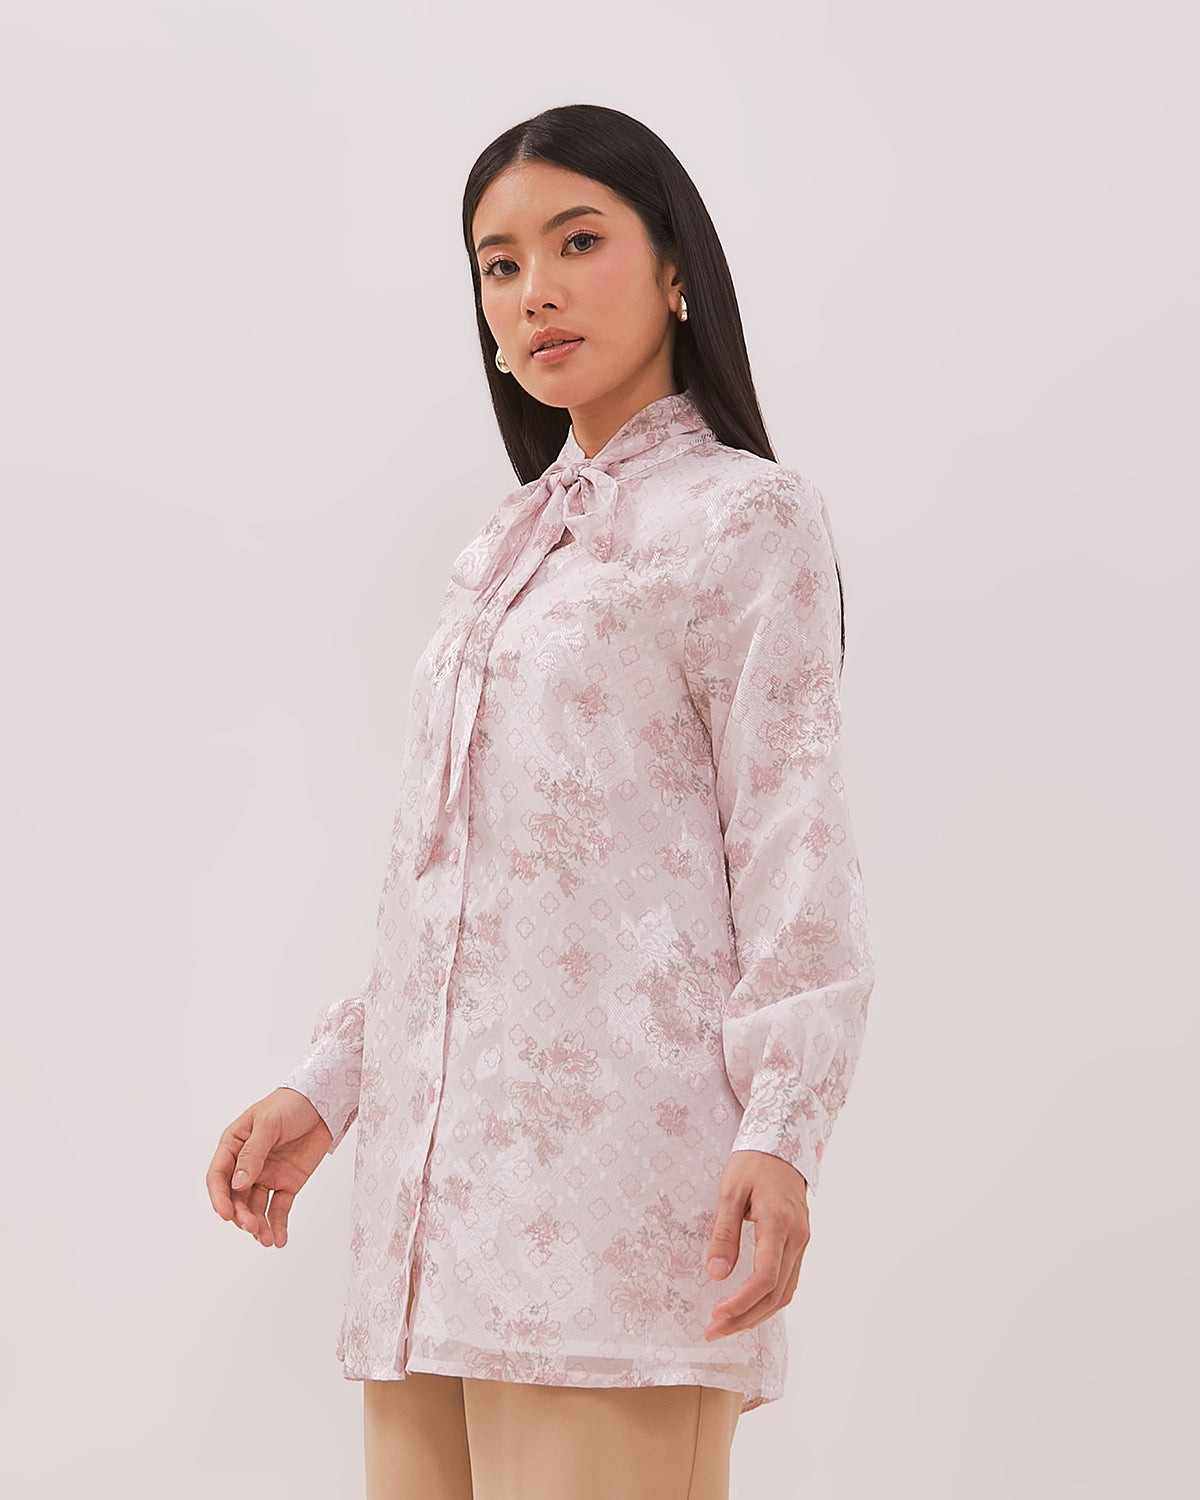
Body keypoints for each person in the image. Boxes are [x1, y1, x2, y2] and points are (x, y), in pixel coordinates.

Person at [207, 102, 876, 1500]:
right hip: (429, 1219)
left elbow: (794, 844)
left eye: (578, 243)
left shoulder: (748, 519)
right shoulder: (500, 556)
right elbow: (455, 883)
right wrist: (332, 1086)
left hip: (616, 1204)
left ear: (676, 267)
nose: (534, 292)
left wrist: (782, 1128)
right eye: (499, 266)